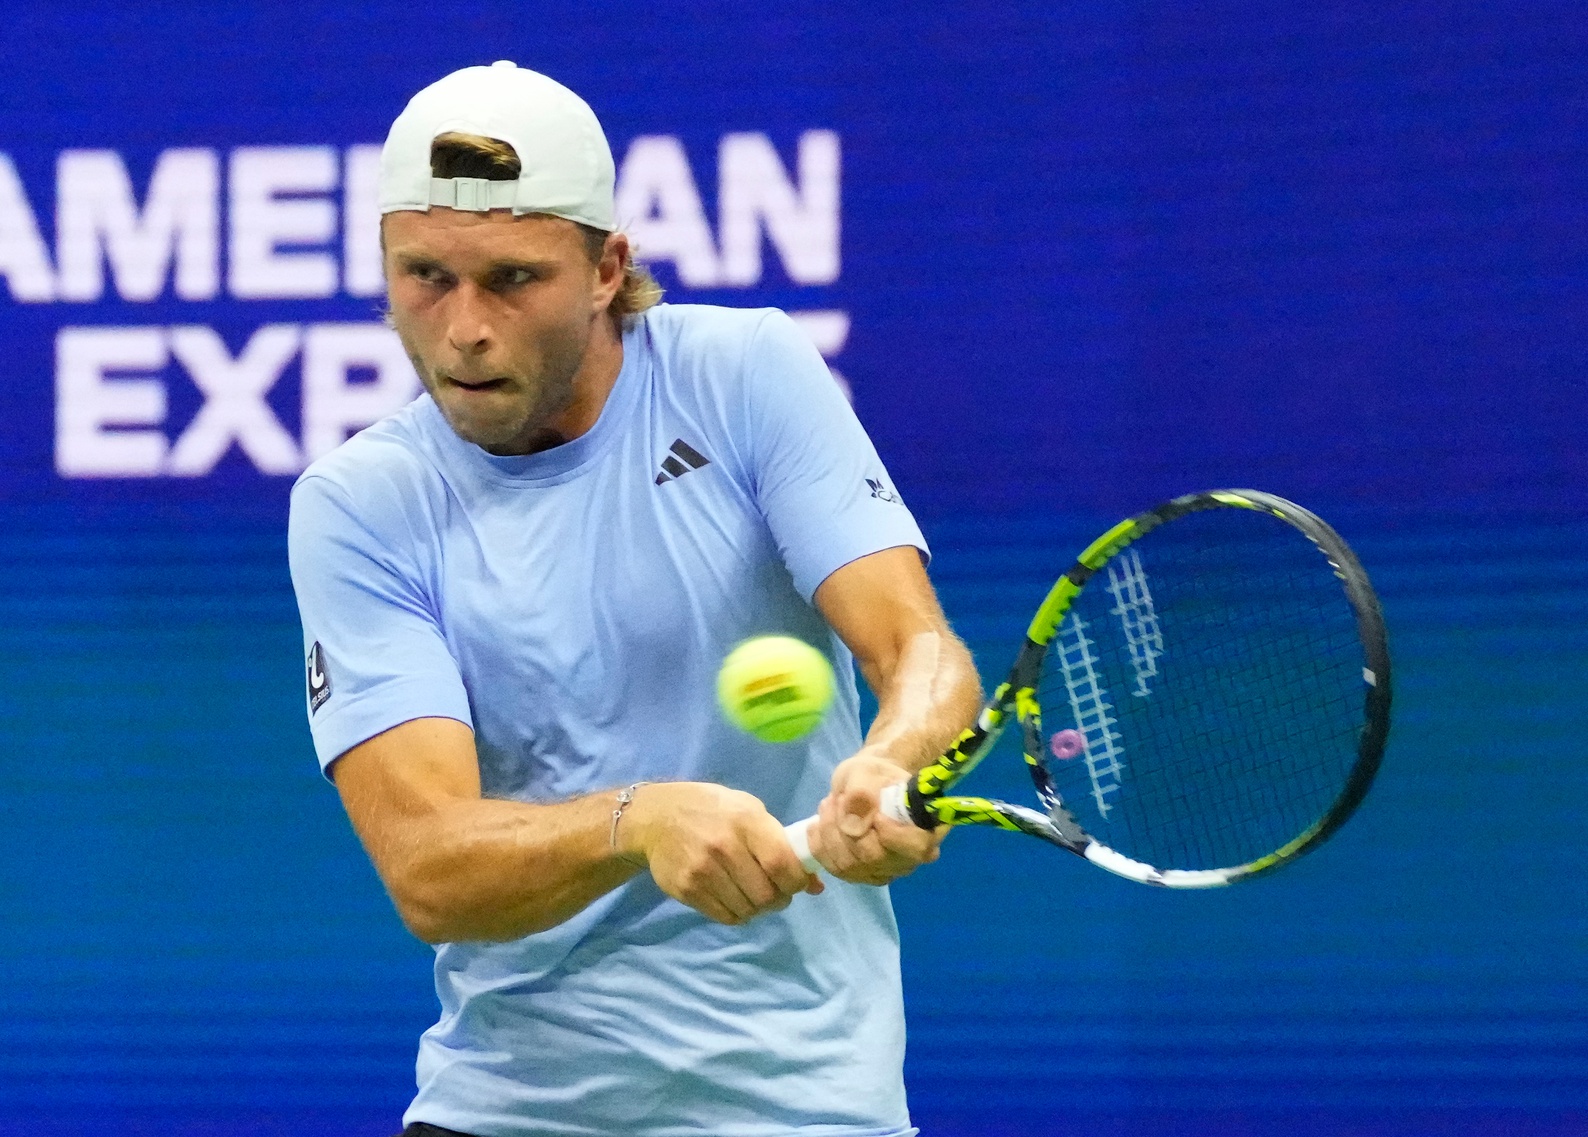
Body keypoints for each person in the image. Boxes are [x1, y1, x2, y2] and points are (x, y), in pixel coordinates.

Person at [287, 61, 981, 1137]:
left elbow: (918, 649)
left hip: (802, 1106)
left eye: (512, 279)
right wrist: (637, 822)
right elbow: (429, 870)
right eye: (423, 275)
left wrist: (889, 763)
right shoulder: (360, 504)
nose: (462, 327)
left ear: (608, 268)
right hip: (507, 1111)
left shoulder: (744, 373)